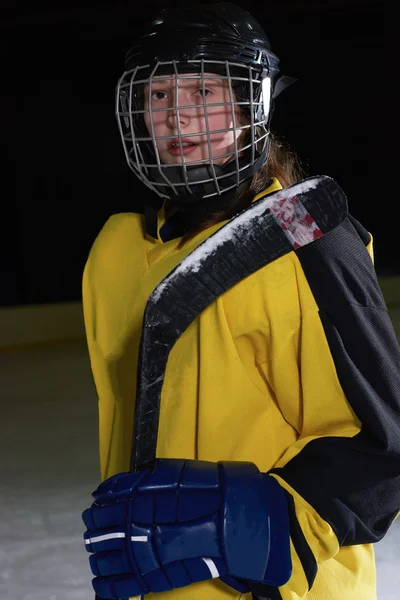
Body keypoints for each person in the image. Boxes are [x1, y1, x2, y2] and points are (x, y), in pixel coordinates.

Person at [81, 3, 400, 600]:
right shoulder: (115, 253)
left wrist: (250, 530)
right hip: (153, 583)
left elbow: (385, 449)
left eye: (204, 89)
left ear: (255, 103)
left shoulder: (306, 241)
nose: (177, 116)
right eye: (157, 96)